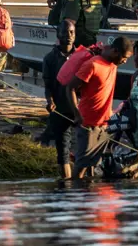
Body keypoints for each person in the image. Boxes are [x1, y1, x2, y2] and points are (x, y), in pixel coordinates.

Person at [67, 36, 134, 179]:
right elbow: (70, 88)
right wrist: (77, 114)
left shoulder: (113, 64)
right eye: (124, 57)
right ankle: (72, 195)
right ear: (115, 51)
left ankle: (88, 196)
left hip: (104, 124)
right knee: (81, 166)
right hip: (88, 124)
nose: (125, 61)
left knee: (93, 163)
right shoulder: (93, 65)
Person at [42, 21, 77, 178]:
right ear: (58, 35)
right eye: (65, 32)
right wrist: (50, 101)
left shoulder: (81, 57)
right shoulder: (50, 59)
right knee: (62, 152)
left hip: (79, 110)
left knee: (85, 150)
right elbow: (48, 85)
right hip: (60, 110)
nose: (68, 36)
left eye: (71, 33)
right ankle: (66, 185)